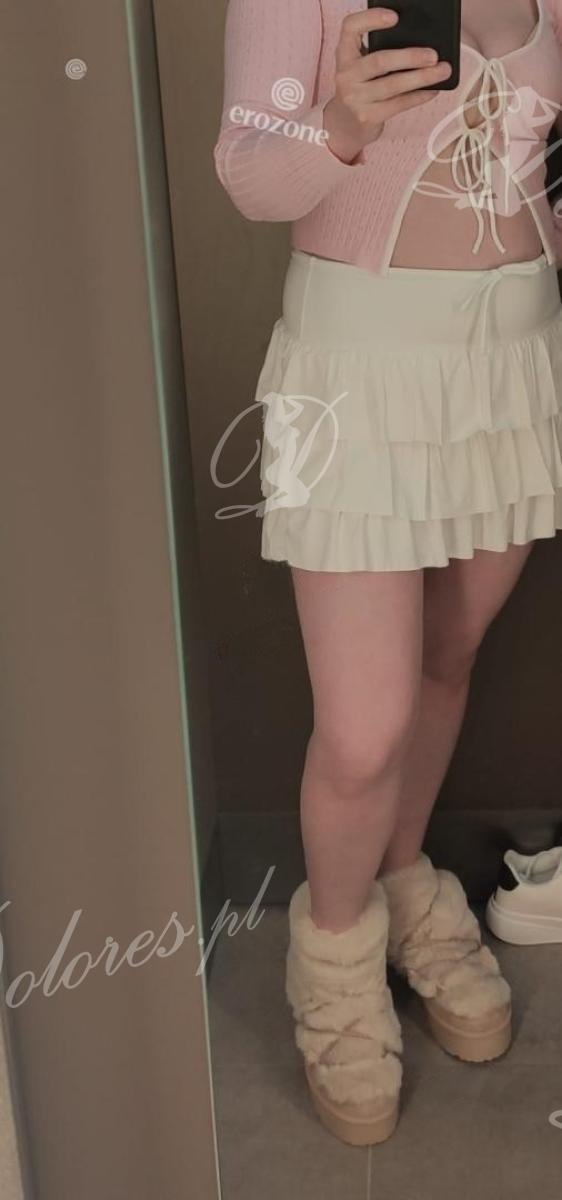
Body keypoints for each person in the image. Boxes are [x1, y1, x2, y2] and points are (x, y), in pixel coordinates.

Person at [213, 0, 562, 1145]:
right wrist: (340, 122)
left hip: (514, 364)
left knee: (446, 657)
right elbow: (249, 174)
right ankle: (333, 953)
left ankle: (407, 880)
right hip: (356, 371)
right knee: (362, 729)